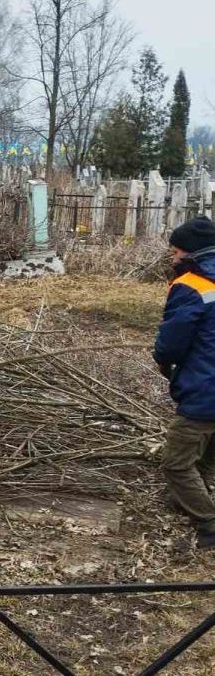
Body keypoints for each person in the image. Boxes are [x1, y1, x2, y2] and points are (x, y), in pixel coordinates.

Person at [153, 215, 215, 549]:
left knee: (176, 462)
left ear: (190, 253)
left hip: (206, 389)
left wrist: (163, 361)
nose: (173, 258)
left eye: (176, 252)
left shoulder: (192, 285)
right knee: (206, 452)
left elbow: (172, 342)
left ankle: (208, 523)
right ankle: (190, 500)